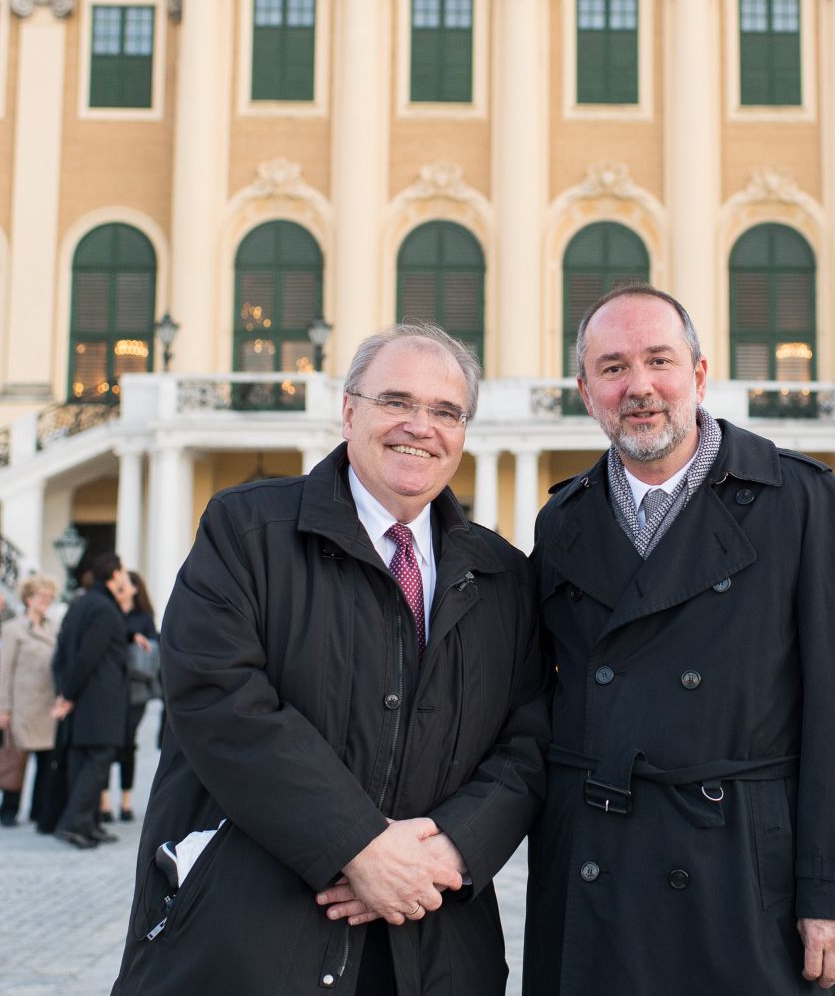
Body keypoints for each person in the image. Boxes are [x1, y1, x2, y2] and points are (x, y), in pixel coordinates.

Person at [113, 323, 548, 996]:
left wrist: (449, 850)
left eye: (445, 411)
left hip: (435, 942)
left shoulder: (504, 575)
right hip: (249, 941)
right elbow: (220, 700)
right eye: (396, 401)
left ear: (463, 431)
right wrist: (358, 845)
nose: (420, 426)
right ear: (348, 411)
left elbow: (529, 740)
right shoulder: (245, 530)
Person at [523, 284, 835, 995]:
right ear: (586, 392)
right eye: (613, 367)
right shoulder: (562, 520)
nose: (639, 386)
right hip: (596, 864)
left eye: (659, 360)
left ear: (698, 373)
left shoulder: (800, 499)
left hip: (743, 874)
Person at [51, 552, 133, 850]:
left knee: (83, 760)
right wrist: (68, 693)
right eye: (123, 572)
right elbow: (88, 655)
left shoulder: (83, 603)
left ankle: (89, 823)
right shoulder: (104, 608)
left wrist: (66, 691)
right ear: (115, 574)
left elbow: (64, 649)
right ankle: (74, 823)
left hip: (85, 696)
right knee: (97, 761)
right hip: (99, 698)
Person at [0, 575, 65, 831]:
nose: (45, 601)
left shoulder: (55, 628)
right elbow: (5, 672)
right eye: (41, 596)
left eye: (49, 597)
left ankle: (39, 809)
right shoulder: (13, 629)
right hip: (22, 705)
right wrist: (3, 708)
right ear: (28, 598)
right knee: (16, 760)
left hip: (48, 705)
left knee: (46, 762)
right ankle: (8, 808)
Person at [101, 570, 161, 824]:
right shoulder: (110, 610)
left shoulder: (144, 616)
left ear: (136, 588)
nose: (121, 588)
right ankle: (104, 802)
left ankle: (126, 802)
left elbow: (153, 645)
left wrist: (141, 642)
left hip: (136, 689)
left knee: (128, 743)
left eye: (126, 584)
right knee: (107, 742)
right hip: (111, 687)